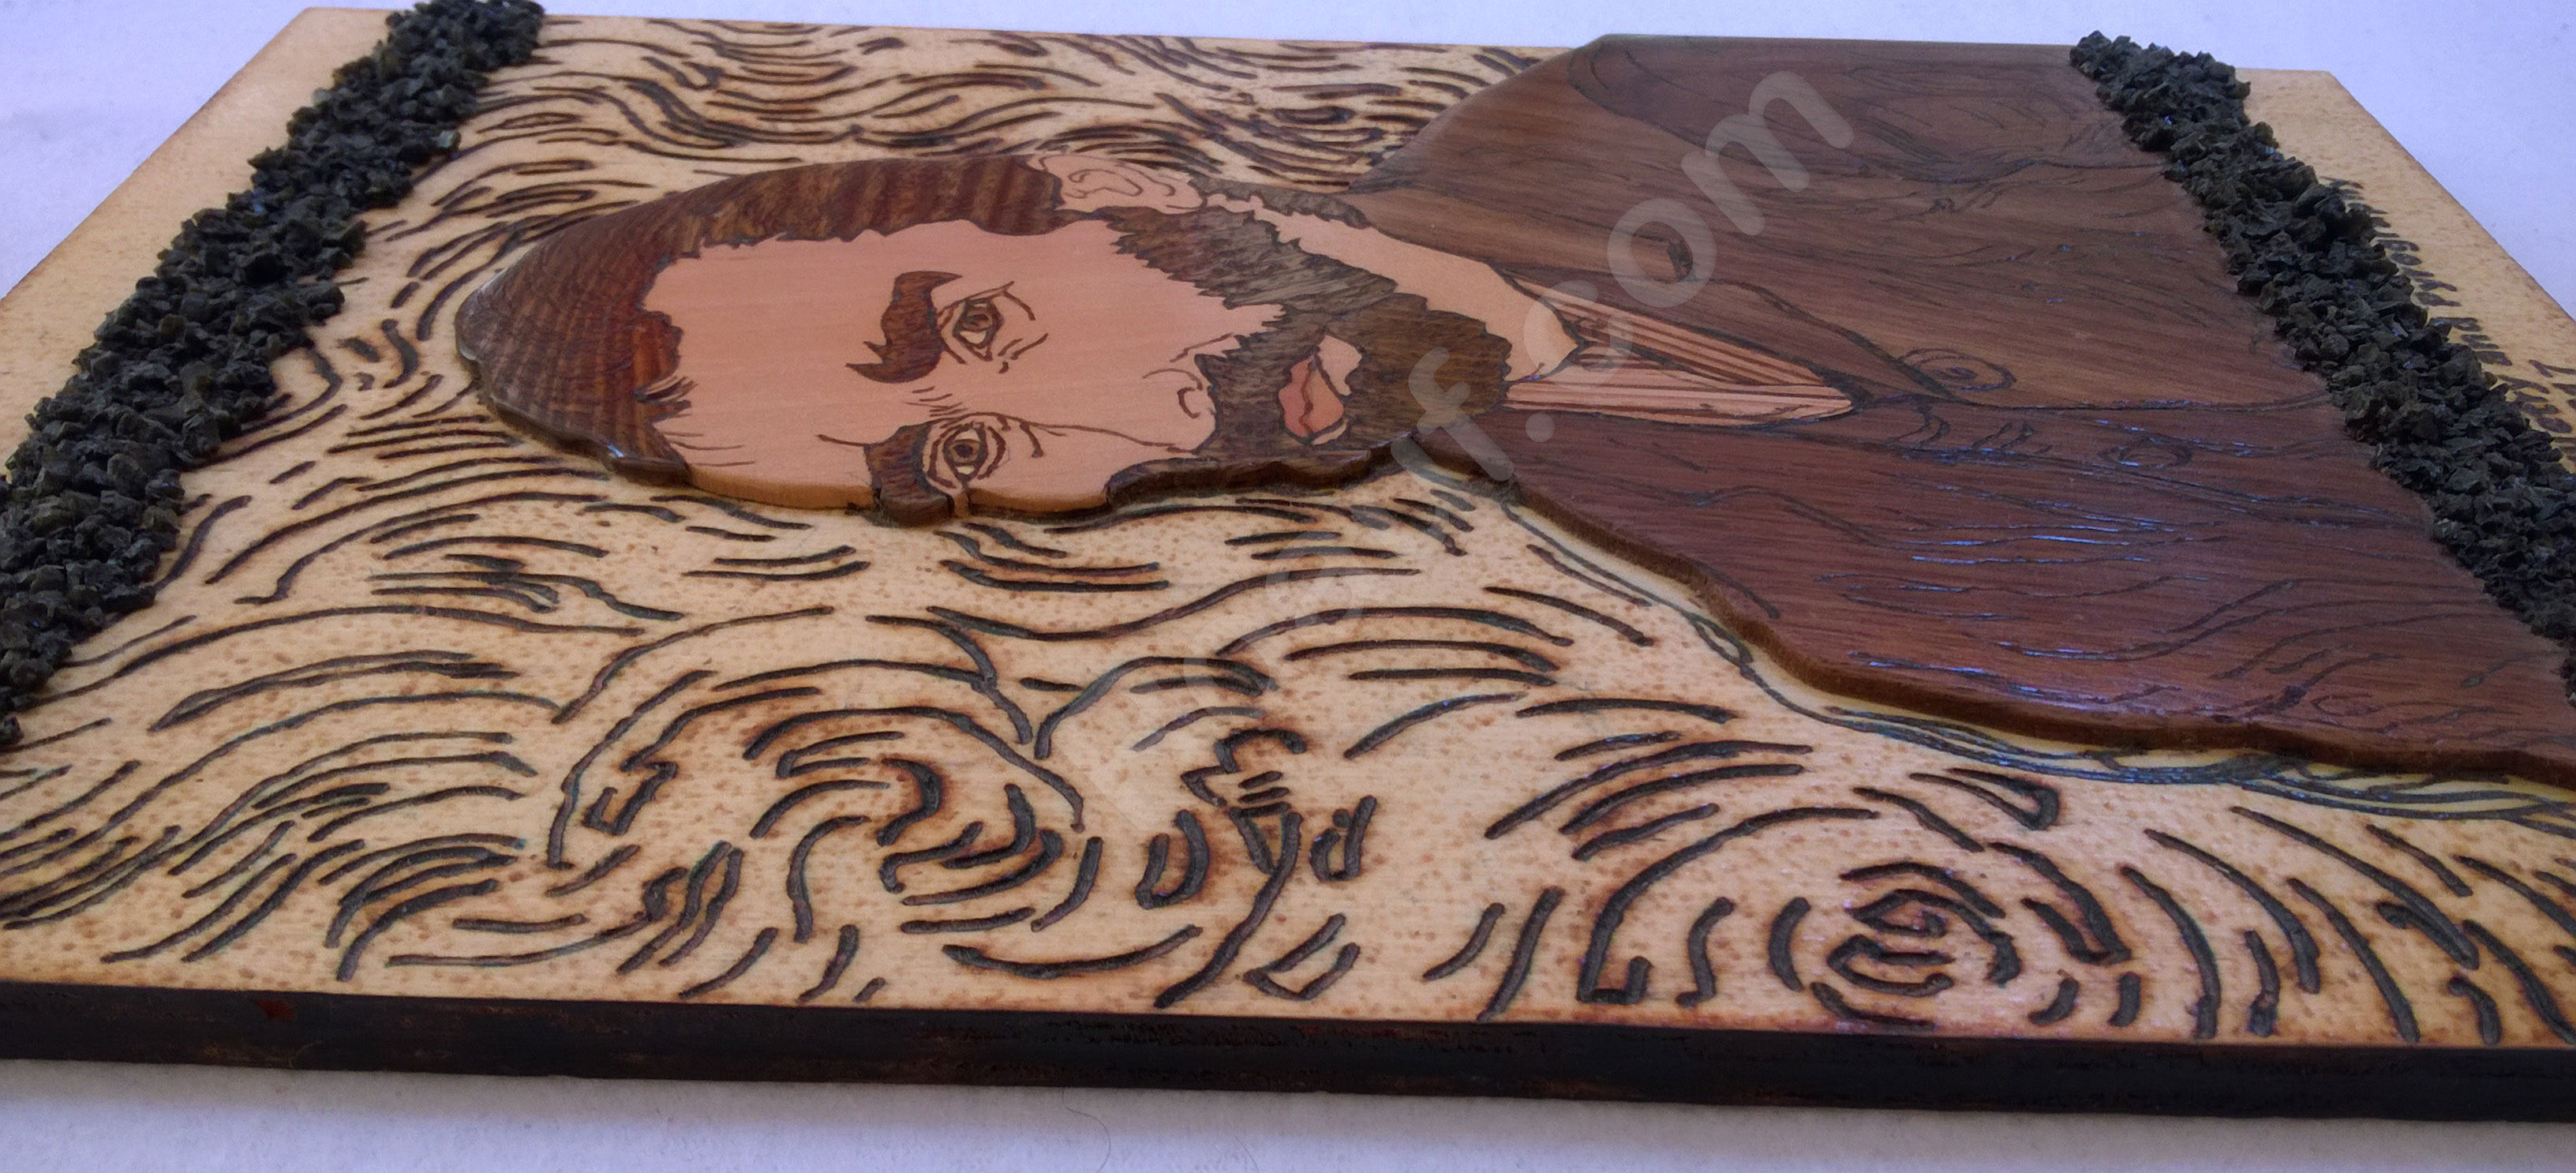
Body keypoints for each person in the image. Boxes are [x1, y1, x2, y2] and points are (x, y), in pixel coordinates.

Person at [459, 37, 2576, 793]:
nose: (1121, 420)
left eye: (977, 328)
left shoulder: (1694, 111)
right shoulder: (1846, 614)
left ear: (1107, 188)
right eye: (956, 461)